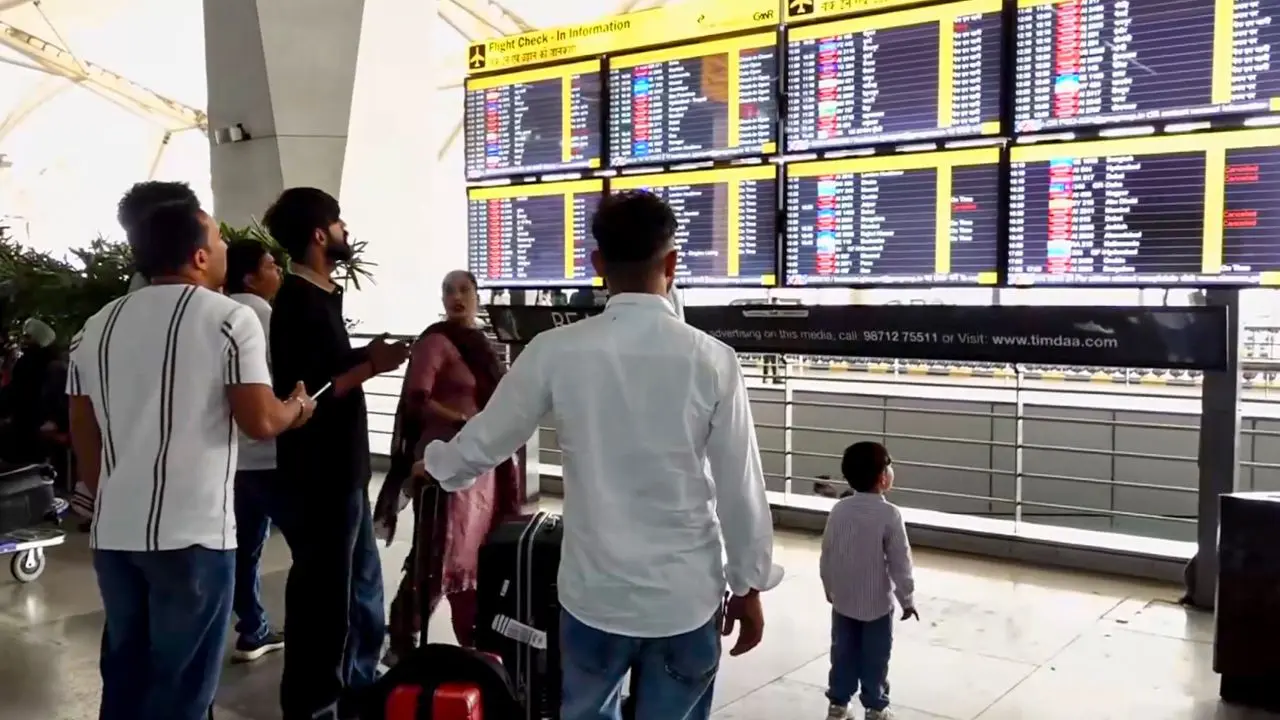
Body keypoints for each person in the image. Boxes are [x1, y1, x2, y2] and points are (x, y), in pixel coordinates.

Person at [415, 190, 781, 720]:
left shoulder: (555, 351)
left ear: (597, 264)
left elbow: (487, 439)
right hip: (685, 599)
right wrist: (748, 585)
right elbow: (740, 488)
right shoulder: (714, 360)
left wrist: (438, 465)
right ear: (672, 264)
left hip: (593, 596)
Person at [66, 198, 316, 720]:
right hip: (194, 536)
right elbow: (259, 420)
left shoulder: (95, 326)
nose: (225, 248)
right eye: (219, 241)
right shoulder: (230, 319)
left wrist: (110, 494)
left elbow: (83, 429)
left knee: (126, 674)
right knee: (181, 689)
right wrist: (298, 406)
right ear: (199, 257)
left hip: (115, 534)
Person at [264, 187, 410, 720]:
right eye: (339, 222)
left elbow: (329, 366)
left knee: (362, 584)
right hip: (319, 474)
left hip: (345, 470)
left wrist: (366, 356)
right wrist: (372, 365)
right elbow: (312, 392)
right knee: (324, 595)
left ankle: (359, 682)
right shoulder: (297, 301)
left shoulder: (321, 294)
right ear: (319, 234)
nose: (347, 230)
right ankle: (315, 701)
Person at [374, 270, 524, 662]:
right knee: (438, 553)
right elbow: (417, 398)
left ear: (476, 295)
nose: (456, 297)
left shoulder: (483, 344)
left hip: (481, 465)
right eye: (448, 290)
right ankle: (403, 637)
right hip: (441, 464)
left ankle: (473, 644)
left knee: (475, 553)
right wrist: (460, 420)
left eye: (464, 290)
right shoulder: (436, 342)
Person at [820, 442, 918, 720]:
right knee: (876, 657)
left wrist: (829, 587)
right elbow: (900, 561)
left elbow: (828, 552)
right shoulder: (890, 515)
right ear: (883, 477)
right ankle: (876, 707)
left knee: (842, 653)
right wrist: (907, 599)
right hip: (877, 604)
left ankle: (838, 704)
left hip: (843, 601)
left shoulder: (839, 510)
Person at [225, 238, 289, 663]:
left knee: (243, 550)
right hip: (273, 453)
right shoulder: (265, 317)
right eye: (270, 265)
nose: (278, 271)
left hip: (232, 458)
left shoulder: (217, 315)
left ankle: (252, 629)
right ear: (250, 277)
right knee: (315, 548)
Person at [0, 318, 60, 463]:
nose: (23, 340)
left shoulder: (30, 362)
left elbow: (17, 392)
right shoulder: (52, 359)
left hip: (28, 425)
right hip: (39, 423)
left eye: (27, 336)